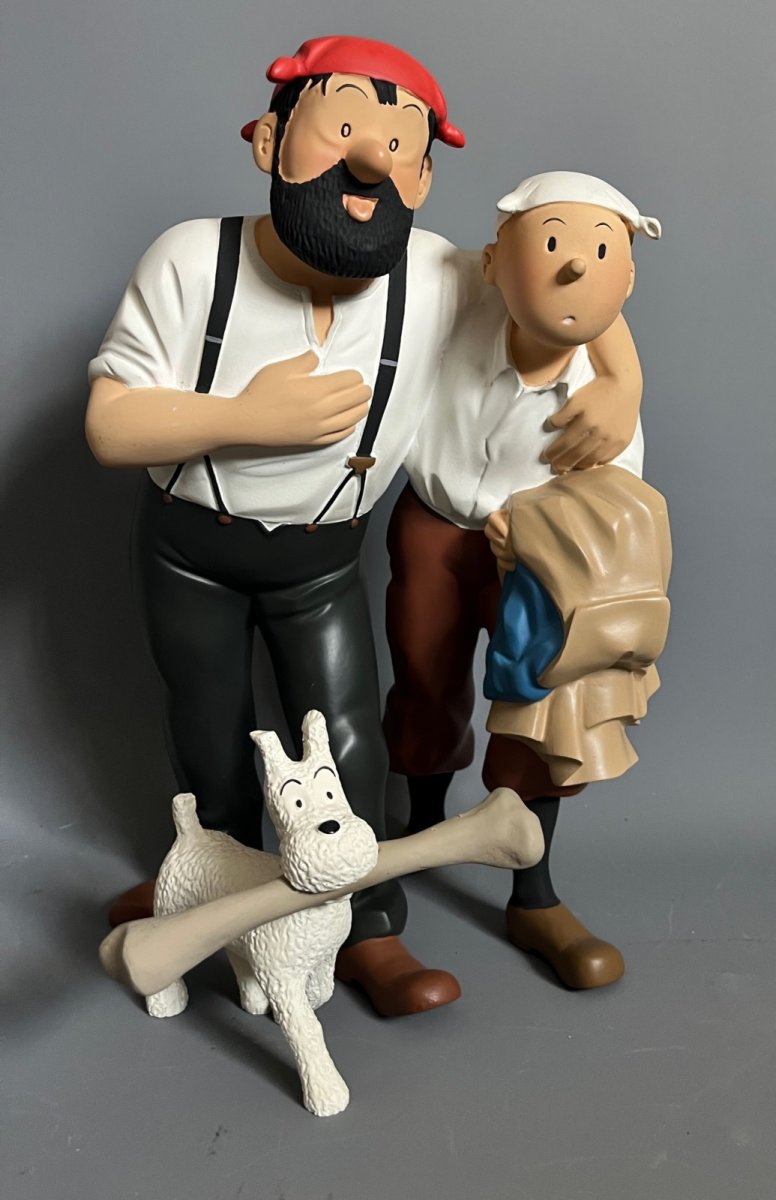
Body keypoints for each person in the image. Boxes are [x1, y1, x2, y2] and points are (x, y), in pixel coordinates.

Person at [86, 37, 642, 1017]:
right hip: (189, 548)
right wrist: (244, 418)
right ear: (269, 142)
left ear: (420, 178)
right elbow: (108, 423)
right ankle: (207, 887)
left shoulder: (432, 271)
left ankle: (366, 926)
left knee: (346, 740)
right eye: (342, 126)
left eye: (399, 143)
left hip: (320, 561)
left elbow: (554, 275)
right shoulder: (191, 258)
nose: (370, 159)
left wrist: (623, 379)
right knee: (208, 732)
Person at [385, 172, 662, 990]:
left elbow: (611, 515)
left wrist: (547, 524)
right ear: (493, 261)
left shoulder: (606, 408)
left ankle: (532, 894)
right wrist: (628, 367)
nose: (574, 265)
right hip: (435, 527)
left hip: (535, 562)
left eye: (601, 251)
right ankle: (417, 836)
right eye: (550, 243)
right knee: (423, 680)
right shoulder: (459, 297)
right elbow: (375, 247)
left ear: (626, 281)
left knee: (541, 711)